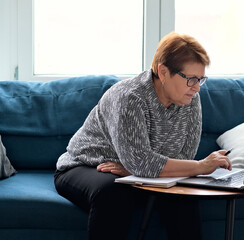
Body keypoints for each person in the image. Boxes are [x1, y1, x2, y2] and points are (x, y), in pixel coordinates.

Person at [54, 32, 232, 240]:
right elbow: (144, 163)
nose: (196, 88)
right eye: (191, 79)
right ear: (163, 72)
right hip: (85, 165)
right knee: (113, 194)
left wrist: (137, 169)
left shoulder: (190, 99)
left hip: (133, 170)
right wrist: (200, 166)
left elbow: (182, 158)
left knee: (184, 196)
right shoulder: (131, 97)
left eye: (200, 80)